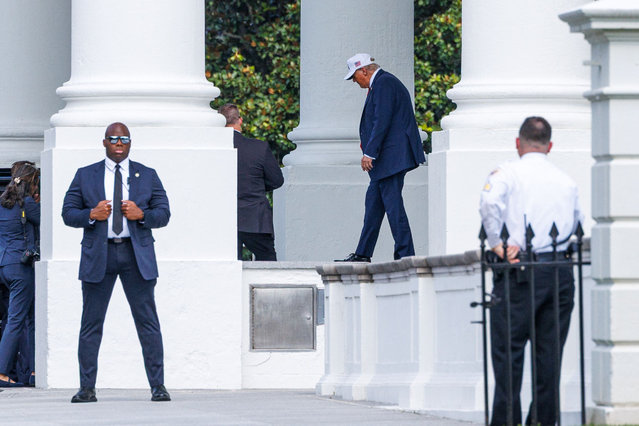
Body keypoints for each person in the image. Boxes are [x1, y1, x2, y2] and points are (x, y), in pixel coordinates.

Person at [479, 117, 583, 425]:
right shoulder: (566, 181)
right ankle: (542, 419)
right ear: (550, 145)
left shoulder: (507, 173)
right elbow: (576, 223)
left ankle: (506, 420)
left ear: (517, 143)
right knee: (549, 355)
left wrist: (497, 242)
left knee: (508, 353)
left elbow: (489, 203)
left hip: (519, 268)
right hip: (559, 269)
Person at [62, 122, 171, 403]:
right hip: (100, 255)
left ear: (130, 142)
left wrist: (141, 214)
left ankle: (158, 386)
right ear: (104, 142)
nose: (119, 143)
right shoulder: (85, 175)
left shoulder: (147, 175)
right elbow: (67, 213)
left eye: (124, 139)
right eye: (113, 139)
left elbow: (164, 213)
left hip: (137, 256)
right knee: (91, 323)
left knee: (148, 323)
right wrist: (91, 214)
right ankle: (87, 388)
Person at [336, 53, 426, 262]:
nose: (354, 82)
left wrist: (370, 152)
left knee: (393, 207)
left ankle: (405, 255)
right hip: (388, 161)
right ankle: (363, 253)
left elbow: (381, 121)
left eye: (354, 77)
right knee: (374, 206)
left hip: (390, 160)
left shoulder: (384, 83)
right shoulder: (383, 83)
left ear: (363, 71)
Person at [218, 103, 284, 261]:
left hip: (221, 217)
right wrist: (259, 187)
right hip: (255, 217)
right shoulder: (259, 148)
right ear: (240, 120)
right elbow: (277, 180)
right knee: (267, 263)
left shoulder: (213, 149)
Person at [0, 161, 40, 387]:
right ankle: (2, 372)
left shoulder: (2, 203)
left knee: (19, 319)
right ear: (32, 183)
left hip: (3, 266)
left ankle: (33, 371)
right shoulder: (28, 205)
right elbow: (52, 222)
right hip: (20, 268)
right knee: (18, 321)